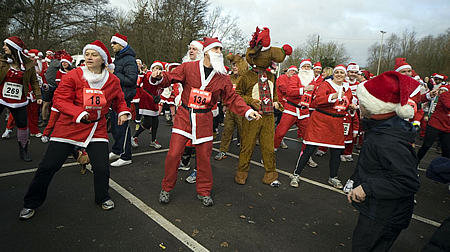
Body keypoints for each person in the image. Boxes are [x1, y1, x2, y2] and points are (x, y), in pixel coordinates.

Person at [19, 40, 131, 220]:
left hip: (96, 128)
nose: (89, 58)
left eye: (94, 55)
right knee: (48, 166)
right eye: (87, 54)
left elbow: (119, 100)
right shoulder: (72, 76)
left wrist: (123, 112)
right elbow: (60, 100)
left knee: (102, 168)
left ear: (103, 59)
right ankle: (31, 202)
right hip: (68, 127)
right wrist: (78, 113)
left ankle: (102, 197)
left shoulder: (112, 80)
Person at [150, 37, 261, 207]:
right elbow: (170, 77)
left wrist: (247, 110)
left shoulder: (222, 76)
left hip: (204, 120)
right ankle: (166, 188)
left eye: (220, 50)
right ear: (207, 52)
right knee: (173, 155)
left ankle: (204, 191)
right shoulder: (188, 67)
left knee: (203, 159)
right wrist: (158, 76)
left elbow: (231, 98)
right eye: (216, 49)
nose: (219, 53)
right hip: (184, 117)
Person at [347, 71, 420, 251]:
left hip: (383, 214)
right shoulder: (381, 129)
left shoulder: (386, 139)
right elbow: (378, 165)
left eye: (362, 102)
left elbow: (407, 181)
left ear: (374, 107)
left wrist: (367, 187)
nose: (359, 106)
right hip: (380, 209)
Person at [290, 65, 355, 189]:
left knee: (336, 151)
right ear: (334, 74)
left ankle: (333, 177)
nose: (339, 74)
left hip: (336, 123)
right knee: (309, 148)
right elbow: (318, 101)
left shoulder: (347, 88)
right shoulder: (326, 85)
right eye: (337, 72)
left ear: (345, 75)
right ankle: (296, 174)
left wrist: (351, 107)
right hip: (321, 121)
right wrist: (334, 96)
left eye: (342, 72)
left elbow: (345, 104)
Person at [1, 36, 42, 161]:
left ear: (14, 48)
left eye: (6, 45)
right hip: (1, 97)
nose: (3, 47)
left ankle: (23, 151)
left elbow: (34, 81)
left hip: (19, 100)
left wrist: (38, 96)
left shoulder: (28, 64)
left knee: (23, 125)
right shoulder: (2, 61)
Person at [274, 59, 318, 167]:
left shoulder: (313, 80)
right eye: (305, 67)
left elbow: (315, 95)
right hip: (291, 109)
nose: (307, 69)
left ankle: (306, 157)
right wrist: (304, 89)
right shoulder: (295, 78)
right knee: (280, 132)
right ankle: (270, 153)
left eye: (309, 67)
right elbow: (289, 92)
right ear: (301, 68)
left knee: (308, 136)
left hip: (304, 111)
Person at [109, 33, 138, 167]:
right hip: (115, 97)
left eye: (114, 43)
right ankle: (117, 149)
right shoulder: (118, 59)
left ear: (121, 44)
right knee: (115, 127)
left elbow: (131, 80)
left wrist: (115, 73)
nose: (112, 45)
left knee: (123, 128)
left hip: (124, 98)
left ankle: (126, 156)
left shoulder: (129, 60)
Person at [215, 53, 246, 160]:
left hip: (241, 110)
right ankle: (223, 151)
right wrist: (224, 105)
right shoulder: (229, 78)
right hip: (230, 109)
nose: (234, 67)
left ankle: (244, 152)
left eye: (237, 65)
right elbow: (225, 93)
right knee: (227, 130)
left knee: (243, 132)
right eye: (233, 65)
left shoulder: (246, 78)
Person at [40, 54, 73, 143]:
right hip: (59, 100)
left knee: (67, 123)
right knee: (52, 121)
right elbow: (60, 85)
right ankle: (45, 134)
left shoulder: (74, 72)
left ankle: (64, 139)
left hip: (70, 101)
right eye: (63, 62)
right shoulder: (59, 72)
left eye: (66, 62)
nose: (64, 64)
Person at [131, 61, 163, 149]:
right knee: (147, 123)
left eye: (159, 69)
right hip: (147, 102)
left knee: (156, 123)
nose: (157, 70)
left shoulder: (160, 79)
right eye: (155, 68)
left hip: (154, 103)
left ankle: (153, 140)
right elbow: (151, 78)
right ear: (152, 69)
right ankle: (134, 137)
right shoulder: (148, 75)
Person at [417, 85, 450, 162]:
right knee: (426, 145)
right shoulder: (444, 95)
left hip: (447, 127)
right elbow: (448, 105)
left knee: (446, 150)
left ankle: (444, 168)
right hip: (435, 124)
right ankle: (416, 162)